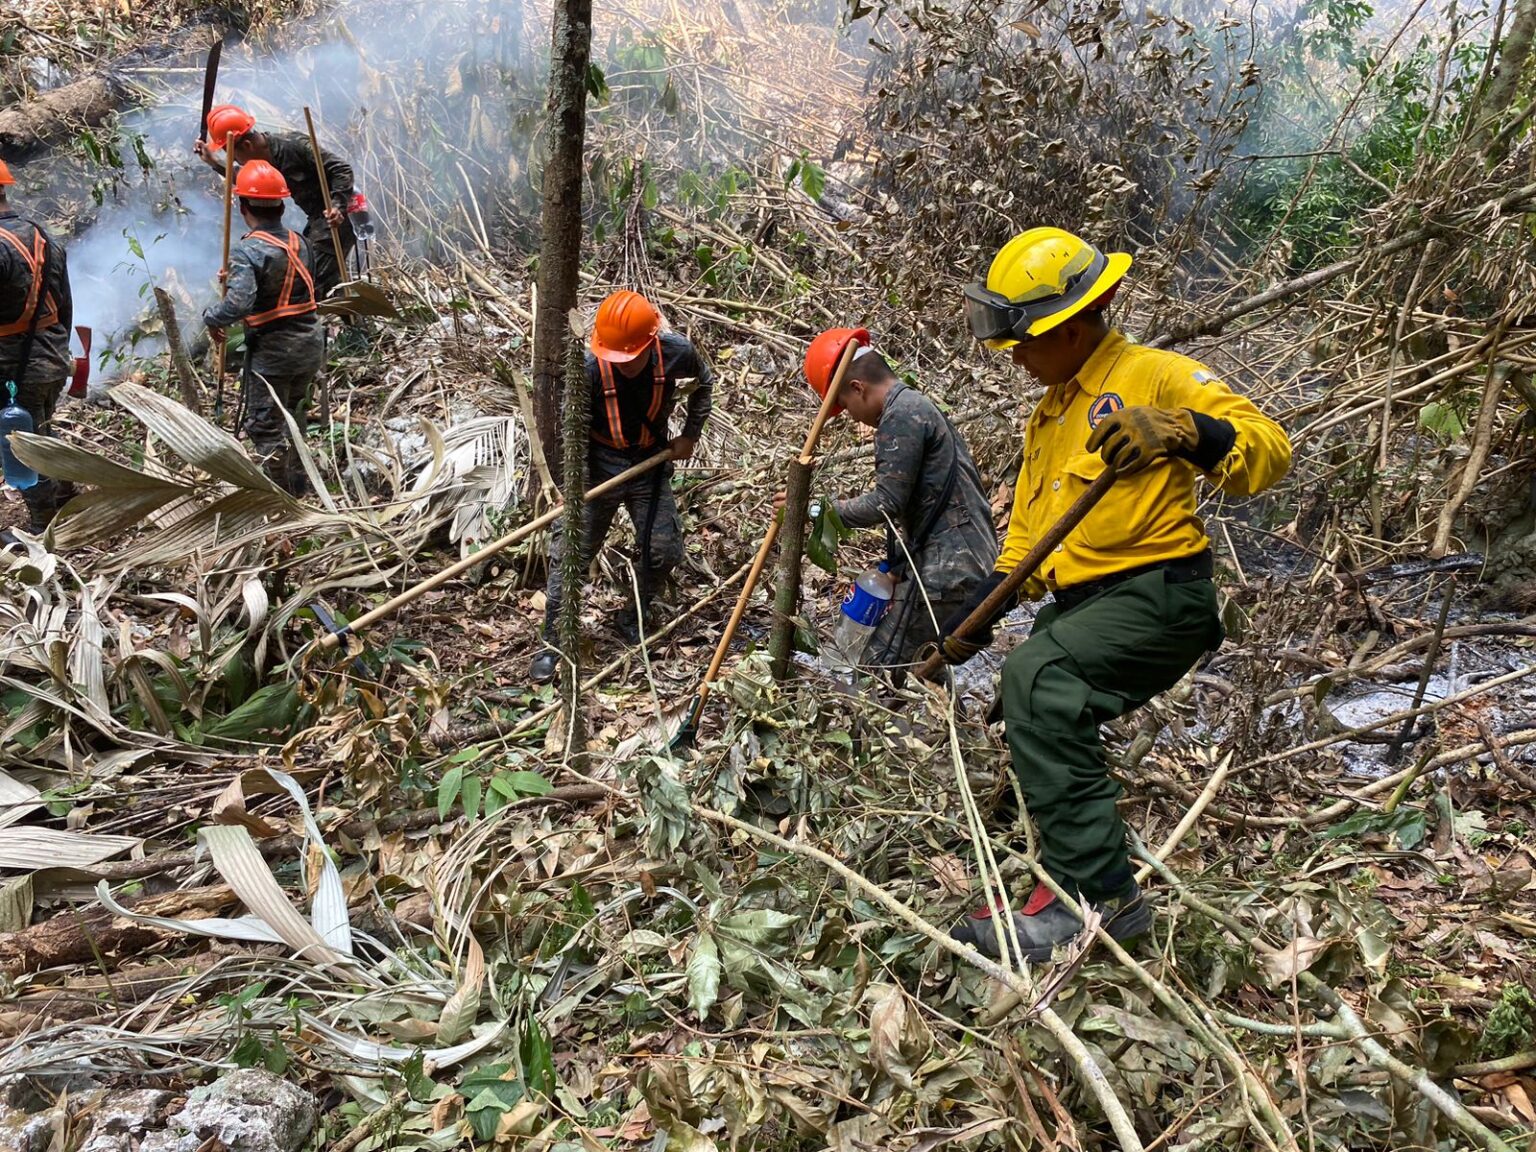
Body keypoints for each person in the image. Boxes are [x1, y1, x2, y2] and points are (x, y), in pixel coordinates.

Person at [939, 227, 1292, 963]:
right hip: (1083, 602)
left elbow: (1269, 451)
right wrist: (981, 609)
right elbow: (1030, 542)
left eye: (1024, 344)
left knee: (1040, 678)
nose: (1016, 359)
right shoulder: (1049, 416)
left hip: (1158, 593)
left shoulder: (1154, 375)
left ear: (1069, 327)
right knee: (1023, 694)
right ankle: (1056, 871)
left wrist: (1187, 431)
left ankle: (1098, 899)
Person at [529, 290, 714, 685]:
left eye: (631, 357)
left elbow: (705, 383)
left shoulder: (676, 353)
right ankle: (554, 641)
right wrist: (572, 488)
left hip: (649, 462)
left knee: (664, 550)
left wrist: (690, 435)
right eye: (616, 357)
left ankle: (633, 616)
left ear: (651, 342)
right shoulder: (589, 370)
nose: (623, 364)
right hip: (598, 468)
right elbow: (571, 435)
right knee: (570, 554)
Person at [799, 327, 997, 672]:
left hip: (948, 572)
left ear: (858, 388)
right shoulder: (914, 407)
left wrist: (814, 510)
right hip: (957, 565)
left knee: (879, 670)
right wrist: (899, 569)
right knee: (919, 670)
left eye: (845, 406)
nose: (851, 416)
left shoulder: (901, 415)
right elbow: (928, 504)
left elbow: (885, 503)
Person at [202, 161, 323, 494]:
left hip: (274, 353)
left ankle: (279, 497)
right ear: (281, 207)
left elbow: (238, 305)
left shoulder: (246, 251)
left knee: (266, 427)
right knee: (294, 417)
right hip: (310, 345)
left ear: (243, 208)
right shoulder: (302, 242)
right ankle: (300, 486)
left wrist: (211, 316)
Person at [196, 104, 355, 302]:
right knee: (325, 281)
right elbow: (247, 180)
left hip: (337, 217)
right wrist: (213, 162)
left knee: (306, 284)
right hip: (317, 218)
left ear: (247, 146)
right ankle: (350, 316)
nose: (235, 161)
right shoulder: (262, 159)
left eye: (233, 156)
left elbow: (341, 169)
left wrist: (337, 206)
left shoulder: (293, 145)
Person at [0, 158, 75, 545]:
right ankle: (65, 491)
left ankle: (42, 527)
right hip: (51, 357)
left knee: (22, 443)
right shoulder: (43, 236)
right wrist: (61, 350)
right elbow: (64, 304)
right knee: (41, 429)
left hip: (14, 366)